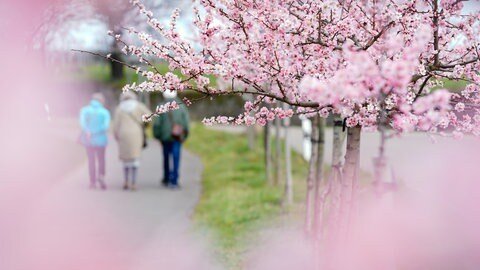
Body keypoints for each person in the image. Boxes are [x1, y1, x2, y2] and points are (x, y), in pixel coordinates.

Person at [112, 92, 152, 191]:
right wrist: (145, 125)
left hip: (123, 134)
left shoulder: (119, 108)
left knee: (125, 159)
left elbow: (115, 124)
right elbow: (150, 116)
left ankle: (126, 181)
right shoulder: (139, 106)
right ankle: (133, 182)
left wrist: (116, 134)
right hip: (136, 134)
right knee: (135, 159)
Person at [153, 90, 190, 189]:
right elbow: (186, 122)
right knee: (176, 157)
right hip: (177, 136)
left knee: (166, 157)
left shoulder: (160, 106)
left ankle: (166, 178)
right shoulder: (181, 106)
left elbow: (156, 124)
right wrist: (185, 135)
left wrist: (157, 135)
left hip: (164, 136)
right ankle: (174, 181)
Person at [79, 92, 111, 189]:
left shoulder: (84, 110)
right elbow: (105, 126)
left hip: (88, 139)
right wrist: (96, 132)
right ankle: (101, 176)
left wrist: (89, 132)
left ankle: (92, 181)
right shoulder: (104, 112)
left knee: (91, 160)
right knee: (101, 159)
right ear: (101, 101)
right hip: (101, 139)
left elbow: (82, 123)